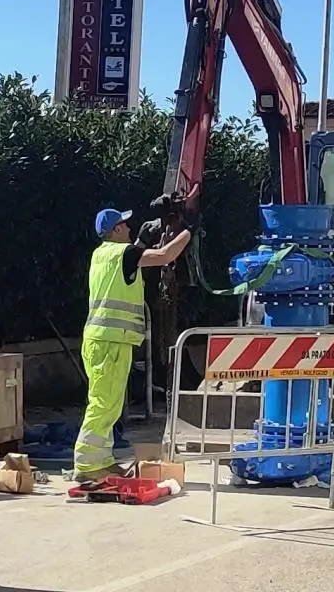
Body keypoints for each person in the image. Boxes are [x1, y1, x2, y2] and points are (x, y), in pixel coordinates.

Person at [73, 205, 192, 484]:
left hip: (100, 340)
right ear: (115, 230)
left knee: (110, 405)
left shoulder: (102, 254)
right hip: (111, 342)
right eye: (124, 225)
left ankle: (102, 461)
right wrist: (189, 230)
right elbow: (165, 256)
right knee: (104, 405)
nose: (128, 228)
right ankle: (87, 463)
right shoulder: (122, 253)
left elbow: (127, 265)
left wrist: (141, 241)